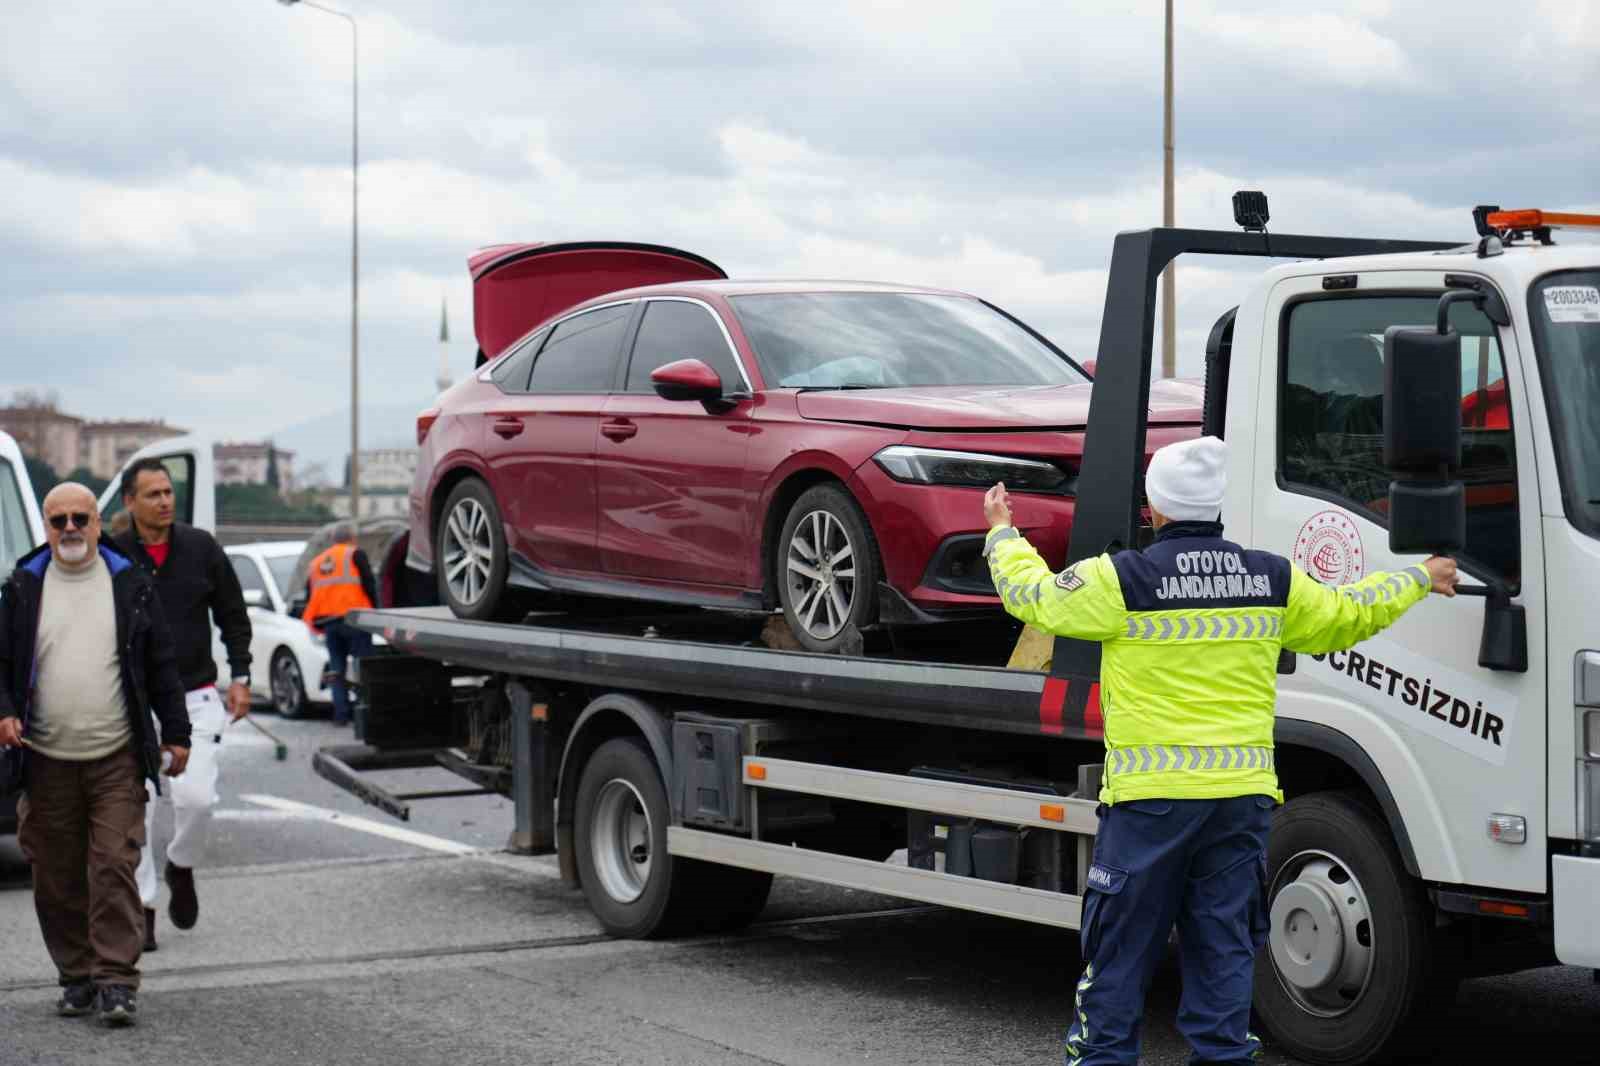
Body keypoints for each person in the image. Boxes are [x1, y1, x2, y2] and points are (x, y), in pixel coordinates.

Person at [981, 436, 1458, 1066]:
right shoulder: (1270, 578)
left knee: (1120, 953)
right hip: (1239, 805)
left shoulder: (1124, 579)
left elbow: (1033, 597)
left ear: (1154, 509)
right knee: (1224, 951)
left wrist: (1002, 533)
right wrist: (1421, 576)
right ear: (1217, 507)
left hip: (1150, 806)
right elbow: (1349, 615)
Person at [0, 483, 190, 1027]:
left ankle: (115, 980)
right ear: (45, 525)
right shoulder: (22, 585)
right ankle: (77, 976)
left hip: (115, 757)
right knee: (56, 878)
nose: (69, 530)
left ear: (98, 522)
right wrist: (4, 712)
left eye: (79, 518)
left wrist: (177, 733)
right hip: (44, 761)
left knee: (113, 866)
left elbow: (161, 664)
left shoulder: (128, 582)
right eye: (58, 520)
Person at [112, 458, 251, 952]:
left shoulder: (201, 548)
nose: (165, 501)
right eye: (153, 494)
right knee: (140, 808)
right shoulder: (113, 555)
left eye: (168, 492)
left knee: (197, 800)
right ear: (130, 502)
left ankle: (182, 863)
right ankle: (144, 907)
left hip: (194, 696)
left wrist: (242, 675)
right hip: (135, 701)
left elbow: (233, 615)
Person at [301, 522, 376, 726]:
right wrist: (378, 611)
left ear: (333, 540)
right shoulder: (355, 554)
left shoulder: (316, 563)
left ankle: (340, 715)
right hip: (355, 620)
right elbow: (369, 583)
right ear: (352, 538)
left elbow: (310, 596)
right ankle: (366, 713)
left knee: (336, 669)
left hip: (329, 623)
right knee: (363, 667)